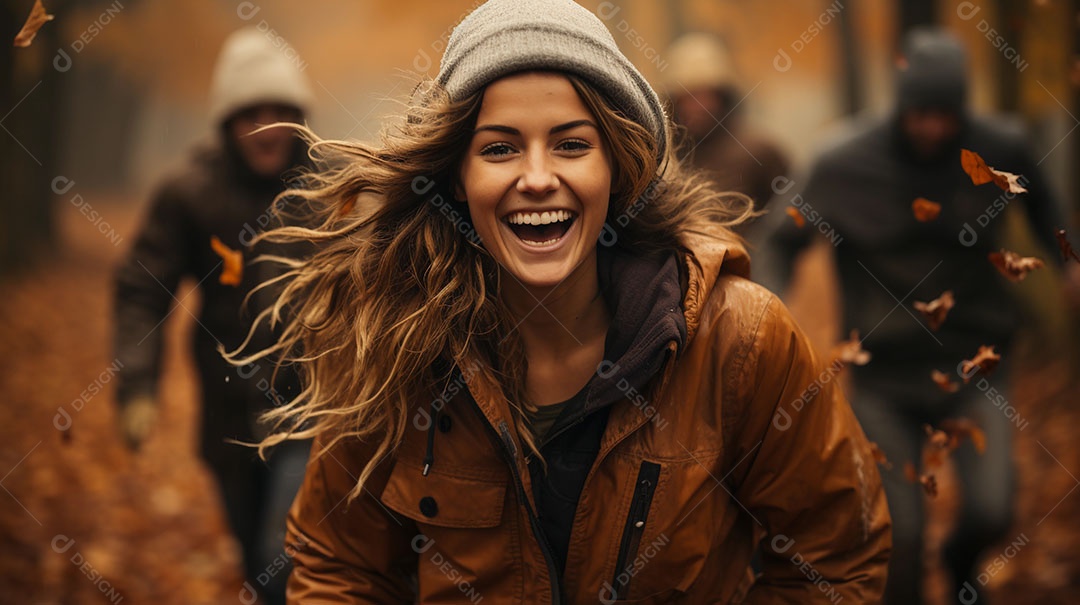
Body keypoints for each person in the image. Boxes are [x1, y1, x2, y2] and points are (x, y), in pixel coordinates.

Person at [242, 1, 890, 602]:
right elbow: (339, 566)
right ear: (457, 179)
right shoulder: (397, 342)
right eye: (499, 148)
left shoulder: (741, 338)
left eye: (571, 144)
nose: (537, 177)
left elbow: (835, 555)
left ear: (617, 165)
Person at [756, 28, 1067, 605]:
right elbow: (781, 241)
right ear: (901, 107)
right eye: (920, 113)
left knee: (993, 509)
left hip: (977, 366)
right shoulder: (843, 162)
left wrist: (1069, 263)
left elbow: (1046, 202)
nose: (932, 128)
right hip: (883, 375)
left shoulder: (1001, 146)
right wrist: (768, 308)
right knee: (902, 534)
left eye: (944, 115)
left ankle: (960, 567)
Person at [113, 27, 313, 605]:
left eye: (280, 111)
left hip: (313, 407)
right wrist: (137, 385)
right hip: (226, 414)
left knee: (286, 552)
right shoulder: (187, 192)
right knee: (254, 554)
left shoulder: (331, 187)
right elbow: (142, 288)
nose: (266, 127)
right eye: (251, 113)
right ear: (227, 120)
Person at [663, 32, 789, 237]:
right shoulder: (663, 158)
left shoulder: (759, 152)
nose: (699, 107)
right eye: (689, 96)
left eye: (706, 95)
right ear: (674, 101)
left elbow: (792, 225)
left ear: (723, 96)